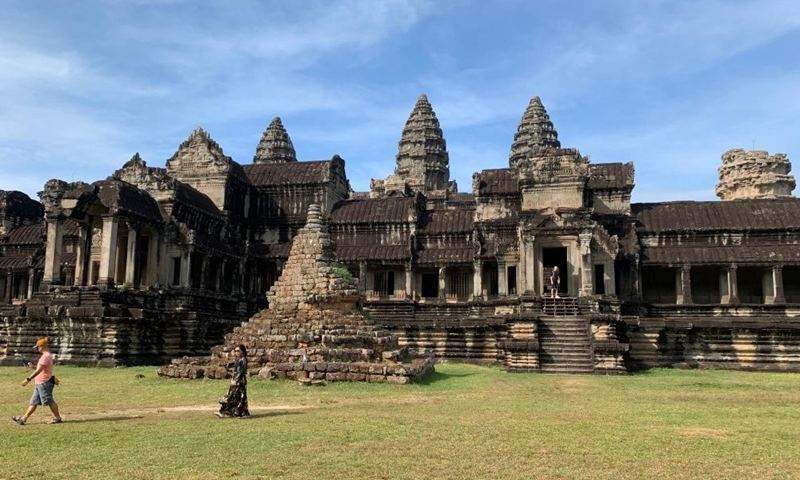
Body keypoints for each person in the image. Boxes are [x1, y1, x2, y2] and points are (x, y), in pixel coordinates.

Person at [12, 338, 62, 425]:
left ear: (42, 346)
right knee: (33, 402)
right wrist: (33, 367)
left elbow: (39, 371)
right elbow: (41, 369)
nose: (37, 349)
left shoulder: (45, 356)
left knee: (49, 401)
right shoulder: (46, 356)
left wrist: (28, 379)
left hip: (44, 382)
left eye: (38, 347)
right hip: (40, 383)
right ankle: (23, 419)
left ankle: (57, 418)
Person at [216, 344, 250, 418]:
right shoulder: (239, 359)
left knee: (232, 395)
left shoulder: (244, 359)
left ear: (242, 351)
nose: (236, 352)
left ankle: (222, 411)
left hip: (240, 380)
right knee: (238, 396)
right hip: (236, 379)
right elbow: (236, 367)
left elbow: (241, 371)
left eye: (238, 351)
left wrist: (236, 380)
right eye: (235, 351)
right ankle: (239, 413)